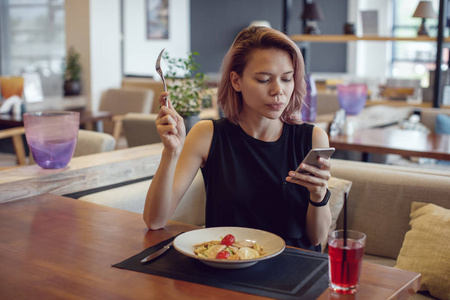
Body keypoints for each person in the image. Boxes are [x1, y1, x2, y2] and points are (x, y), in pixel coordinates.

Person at [144, 26, 332, 252]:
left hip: (292, 271)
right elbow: (155, 220)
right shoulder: (208, 135)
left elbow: (316, 238)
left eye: (286, 79)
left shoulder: (312, 138)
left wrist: (318, 194)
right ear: (236, 81)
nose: (278, 90)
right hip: (227, 267)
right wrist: (171, 152)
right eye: (264, 79)